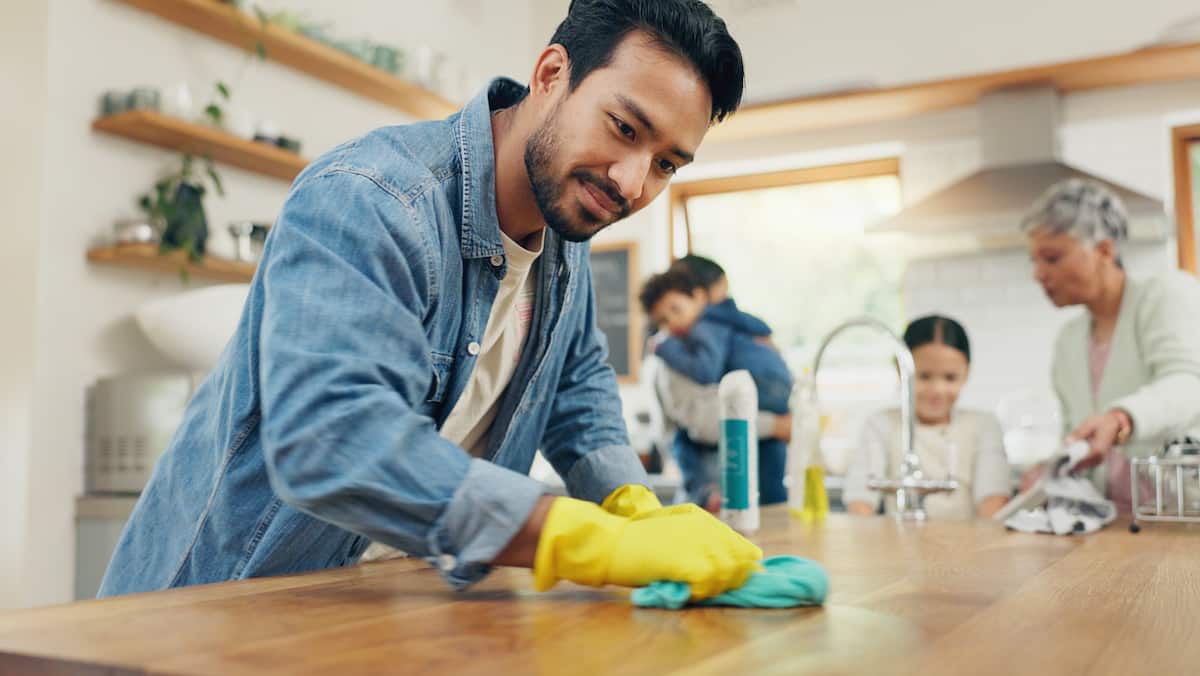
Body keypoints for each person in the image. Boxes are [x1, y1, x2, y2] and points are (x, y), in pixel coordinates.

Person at [99, 0, 762, 601]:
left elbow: (576, 392)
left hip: (385, 608)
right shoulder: (372, 198)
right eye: (623, 127)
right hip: (222, 612)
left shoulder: (566, 234)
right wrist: (579, 539)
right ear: (551, 74)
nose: (631, 182)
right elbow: (332, 438)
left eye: (666, 164)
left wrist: (631, 506)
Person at [1019, 179, 1200, 513]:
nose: (1038, 274)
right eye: (1034, 261)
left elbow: (1189, 384)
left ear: (1104, 251)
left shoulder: (1165, 296)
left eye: (1052, 258)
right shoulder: (1068, 340)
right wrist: (1053, 470)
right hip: (1112, 522)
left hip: (1181, 513)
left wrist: (1121, 418)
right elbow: (1080, 438)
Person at [639, 266, 791, 510]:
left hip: (721, 491)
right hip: (774, 402)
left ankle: (708, 492)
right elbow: (704, 421)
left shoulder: (699, 333)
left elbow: (706, 375)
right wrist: (778, 425)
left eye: (676, 310)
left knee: (682, 441)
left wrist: (663, 348)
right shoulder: (732, 325)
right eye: (663, 321)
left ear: (699, 297)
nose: (672, 323)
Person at [844, 315, 1011, 520]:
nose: (937, 389)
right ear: (900, 369)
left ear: (966, 372)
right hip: (896, 538)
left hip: (970, 540)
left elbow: (993, 502)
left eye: (950, 377)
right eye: (924, 376)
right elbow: (860, 501)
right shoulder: (879, 424)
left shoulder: (984, 425)